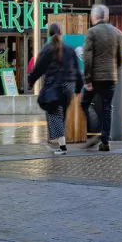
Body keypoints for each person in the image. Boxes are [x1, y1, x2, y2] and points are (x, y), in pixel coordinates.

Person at [27, 22, 83, 155]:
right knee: (60, 113)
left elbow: (38, 69)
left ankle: (62, 147)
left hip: (54, 86)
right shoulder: (69, 49)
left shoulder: (47, 49)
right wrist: (78, 88)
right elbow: (76, 70)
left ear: (49, 34)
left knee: (54, 113)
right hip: (69, 86)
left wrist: (30, 82)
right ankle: (60, 143)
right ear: (61, 34)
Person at [81, 5, 122, 151]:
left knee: (85, 103)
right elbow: (120, 58)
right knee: (107, 108)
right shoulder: (117, 33)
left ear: (94, 17)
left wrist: (87, 79)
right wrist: (113, 71)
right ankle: (105, 141)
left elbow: (87, 57)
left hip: (96, 77)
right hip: (111, 77)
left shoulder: (91, 32)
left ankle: (95, 128)